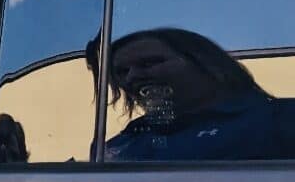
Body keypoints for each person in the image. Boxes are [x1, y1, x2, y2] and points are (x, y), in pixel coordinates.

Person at [88, 27, 295, 162]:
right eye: (122, 72)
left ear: (207, 64)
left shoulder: (281, 118)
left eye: (150, 63)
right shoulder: (118, 145)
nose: (133, 77)